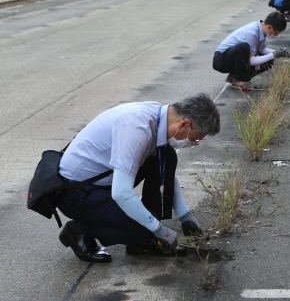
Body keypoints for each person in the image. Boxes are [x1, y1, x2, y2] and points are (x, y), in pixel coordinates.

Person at [57, 94, 220, 263]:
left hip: (103, 181)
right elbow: (121, 192)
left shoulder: (158, 117)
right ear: (184, 124)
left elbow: (164, 173)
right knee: (143, 230)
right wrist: (157, 230)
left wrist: (185, 216)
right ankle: (78, 230)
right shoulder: (137, 128)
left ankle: (143, 239)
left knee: (166, 155)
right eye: (195, 139)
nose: (192, 144)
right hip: (76, 193)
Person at [212, 12, 290, 91]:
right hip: (221, 60)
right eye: (276, 32)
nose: (275, 35)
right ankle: (239, 80)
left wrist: (277, 52)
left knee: (268, 61)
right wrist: (274, 54)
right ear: (270, 27)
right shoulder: (251, 33)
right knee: (243, 47)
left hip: (231, 57)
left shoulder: (261, 29)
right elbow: (252, 61)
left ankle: (234, 76)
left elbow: (262, 49)